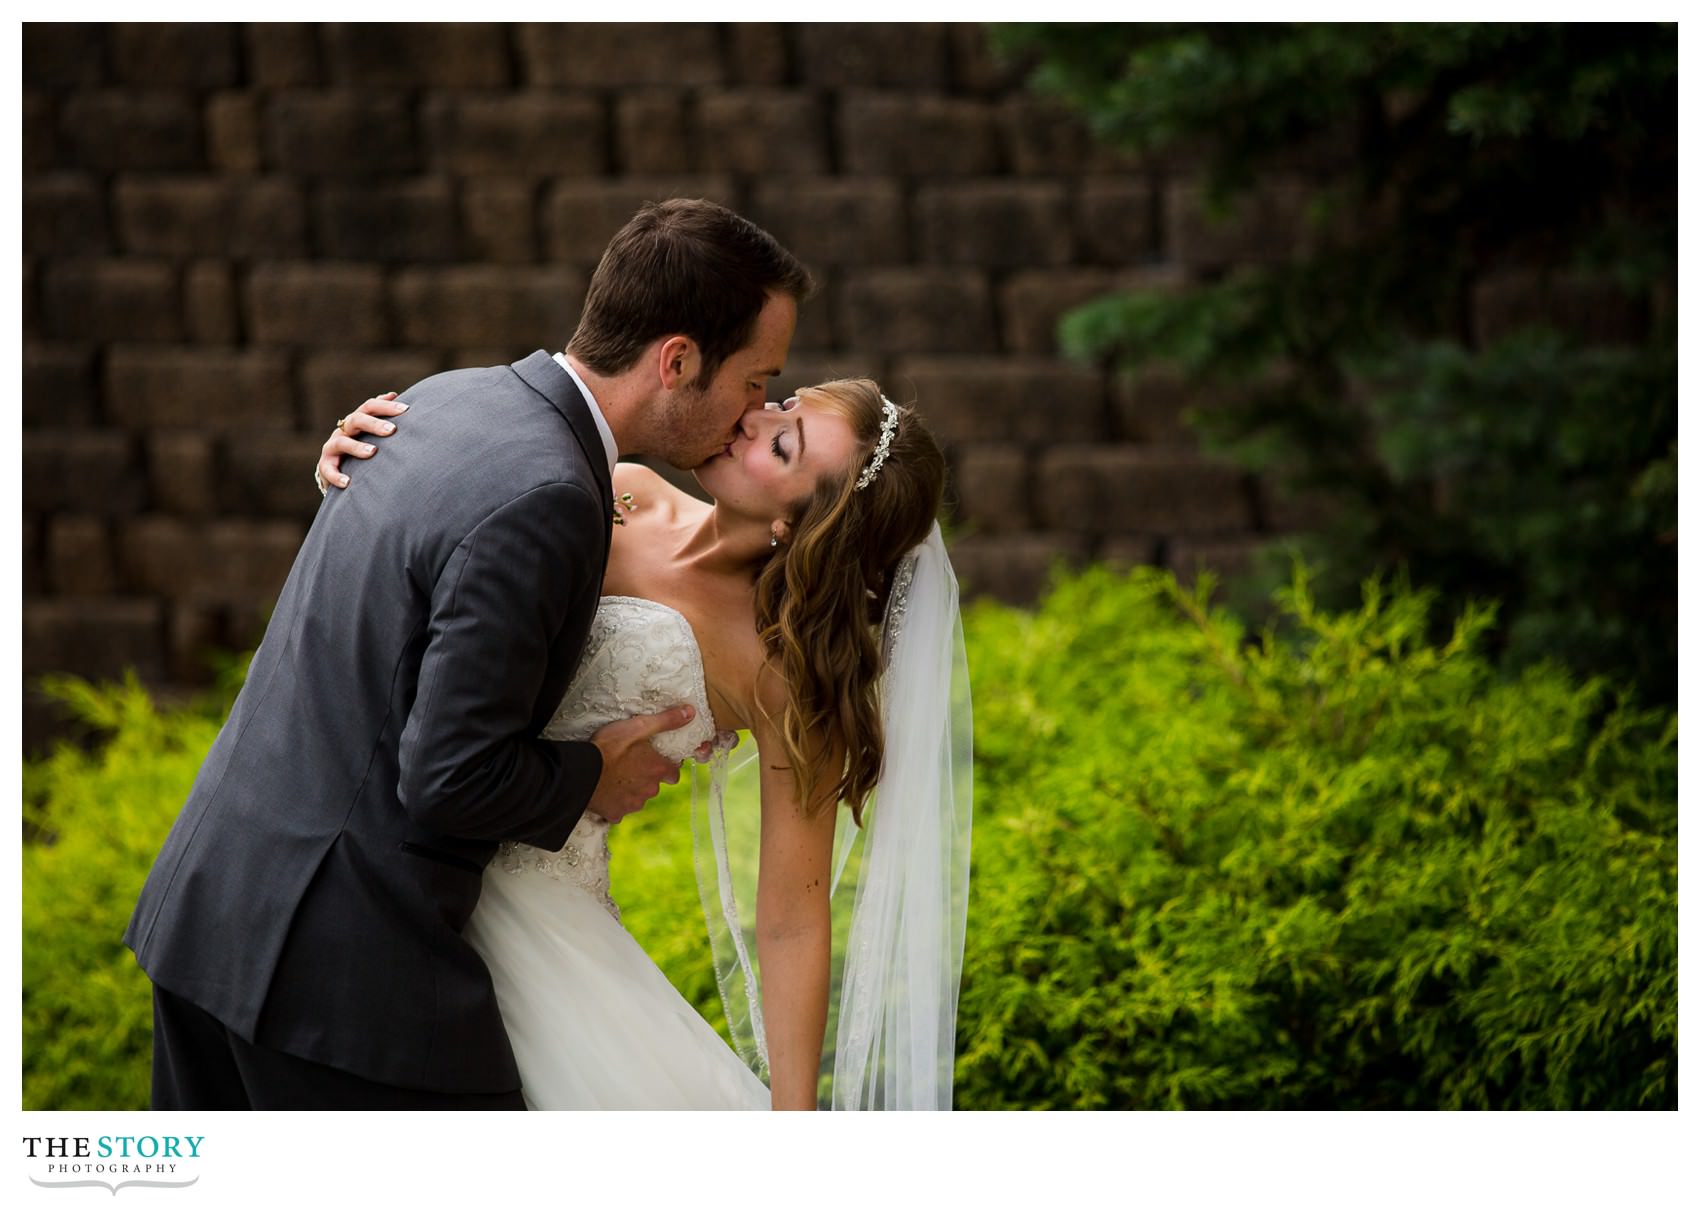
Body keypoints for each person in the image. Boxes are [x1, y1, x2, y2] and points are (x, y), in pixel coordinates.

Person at [123, 198, 814, 1110]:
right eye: (756, 381)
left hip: (212, 908)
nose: (753, 410)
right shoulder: (553, 496)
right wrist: (587, 783)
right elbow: (448, 777)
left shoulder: (444, 399)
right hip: (339, 980)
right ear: (678, 360)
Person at [320, 376, 973, 1109]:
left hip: (541, 922)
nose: (754, 418)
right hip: (393, 844)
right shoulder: (622, 490)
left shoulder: (778, 674)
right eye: (784, 404)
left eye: (783, 445)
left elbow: (793, 915)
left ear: (802, 521)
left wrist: (796, 1120)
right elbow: (452, 575)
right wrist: (372, 468)